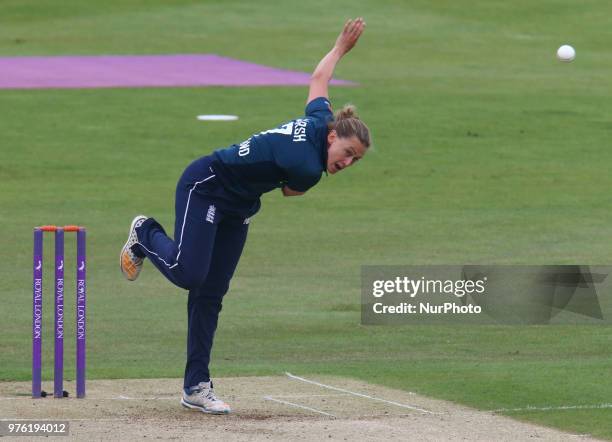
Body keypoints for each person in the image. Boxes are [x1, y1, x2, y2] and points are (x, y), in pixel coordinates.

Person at [120, 17, 370, 414]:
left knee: (212, 294)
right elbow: (290, 191)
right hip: (206, 186)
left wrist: (340, 48)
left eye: (355, 161)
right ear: (332, 137)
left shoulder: (321, 119)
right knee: (190, 274)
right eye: (347, 154)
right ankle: (145, 233)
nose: (347, 163)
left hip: (238, 208)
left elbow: (319, 77)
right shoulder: (308, 169)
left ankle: (196, 387)